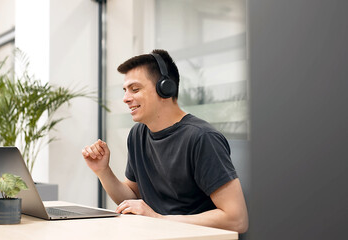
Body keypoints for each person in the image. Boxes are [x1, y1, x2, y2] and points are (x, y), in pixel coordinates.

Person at [82, 49, 248, 233]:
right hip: (156, 234)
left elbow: (236, 219)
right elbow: (131, 196)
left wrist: (159, 219)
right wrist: (103, 171)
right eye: (125, 90)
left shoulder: (201, 138)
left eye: (135, 89)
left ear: (165, 88)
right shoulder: (138, 134)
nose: (126, 98)